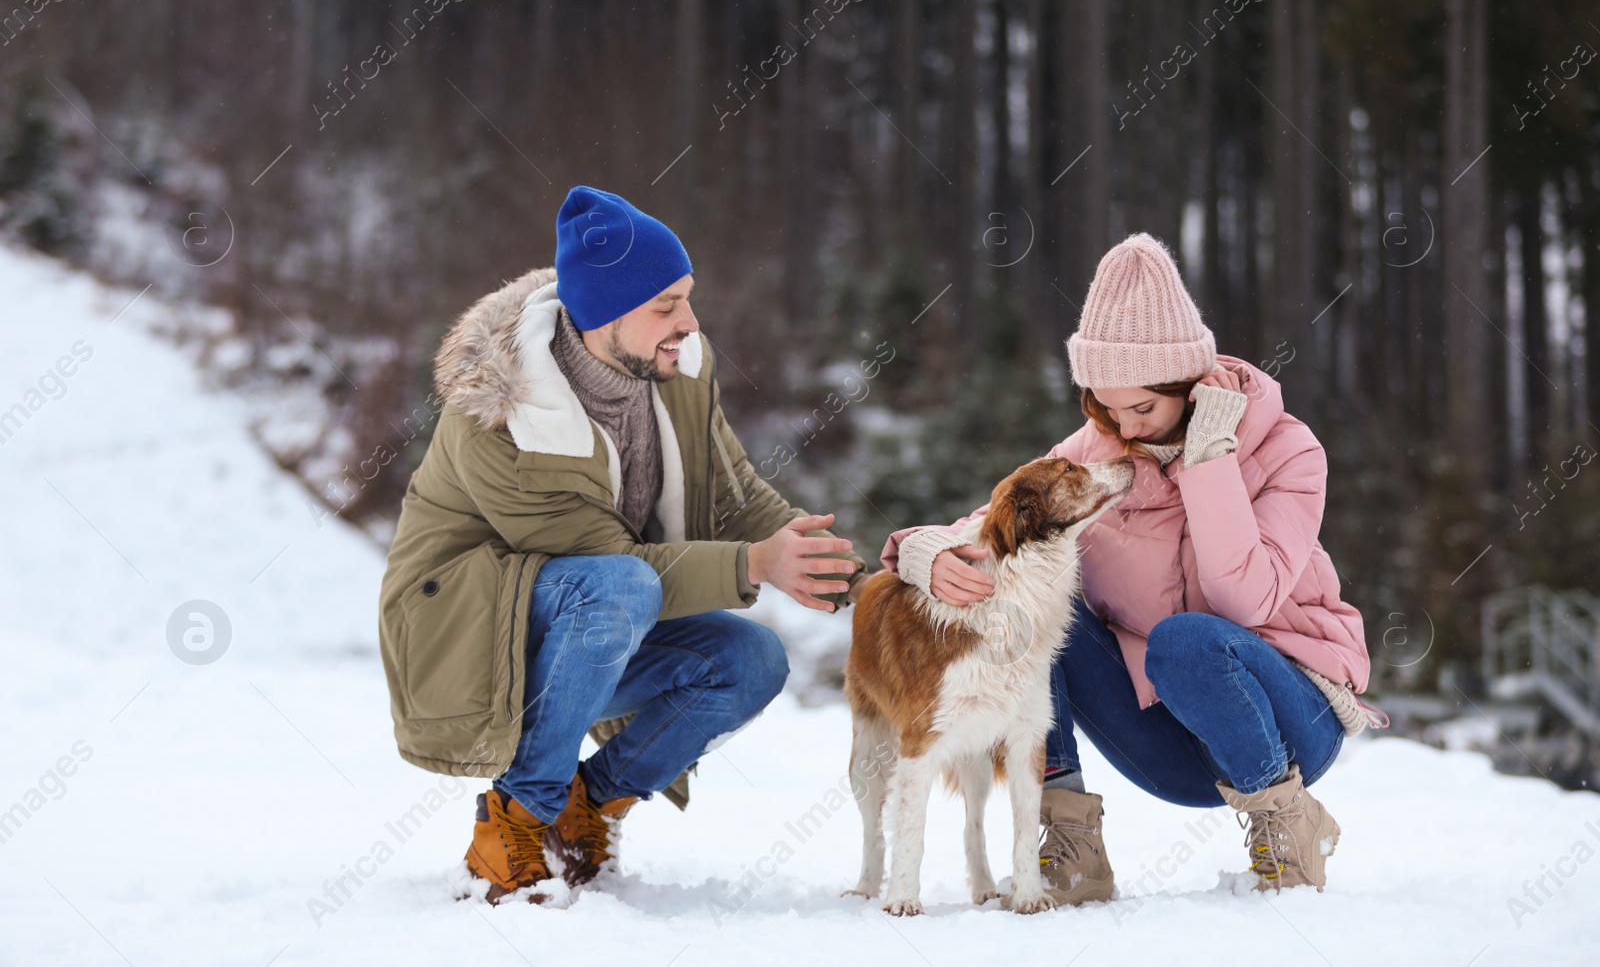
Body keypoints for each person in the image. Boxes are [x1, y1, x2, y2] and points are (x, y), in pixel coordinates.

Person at [378, 185, 871, 904]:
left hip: (589, 619)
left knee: (751, 658)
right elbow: (611, 566)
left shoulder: (671, 373)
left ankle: (589, 806)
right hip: (460, 632)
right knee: (620, 585)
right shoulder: (506, 418)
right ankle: (512, 819)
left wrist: (859, 576)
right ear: (603, 313)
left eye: (688, 297)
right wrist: (755, 566)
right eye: (666, 305)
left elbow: (738, 497)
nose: (689, 322)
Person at [881, 233, 1376, 903]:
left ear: (1191, 383)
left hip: (1289, 722)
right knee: (1029, 604)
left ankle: (1287, 830)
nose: (1125, 428)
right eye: (1106, 408)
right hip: (1168, 737)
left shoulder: (1290, 451)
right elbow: (994, 527)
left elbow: (1242, 599)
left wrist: (1209, 459)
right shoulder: (1104, 449)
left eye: (1142, 408)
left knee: (1186, 640)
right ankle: (1070, 846)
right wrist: (923, 552)